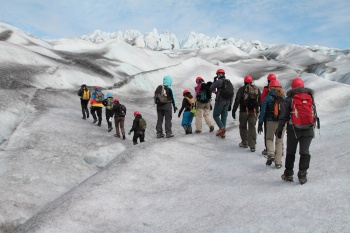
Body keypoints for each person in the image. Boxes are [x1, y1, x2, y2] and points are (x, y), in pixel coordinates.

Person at [277, 78, 318, 184]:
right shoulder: (309, 97)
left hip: (293, 129)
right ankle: (302, 175)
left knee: (291, 151)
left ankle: (288, 174)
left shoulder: (290, 99)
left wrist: (280, 128)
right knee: (305, 151)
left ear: (293, 87)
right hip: (308, 128)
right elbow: (313, 112)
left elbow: (284, 115)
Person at [258, 80, 286, 168]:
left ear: (270, 87)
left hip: (270, 122)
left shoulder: (268, 97)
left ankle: (270, 153)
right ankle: (278, 162)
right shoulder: (283, 97)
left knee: (269, 138)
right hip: (282, 123)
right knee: (279, 141)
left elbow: (263, 111)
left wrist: (260, 123)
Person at [232, 75, 261, 152]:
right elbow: (260, 101)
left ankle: (245, 142)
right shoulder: (256, 89)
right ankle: (252, 145)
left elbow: (237, 100)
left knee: (243, 126)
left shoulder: (242, 89)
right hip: (254, 111)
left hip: (244, 111)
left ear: (244, 81)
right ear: (251, 81)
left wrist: (234, 110)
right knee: (252, 127)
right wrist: (260, 111)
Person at [209, 69, 234, 139]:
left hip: (220, 100)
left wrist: (214, 81)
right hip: (228, 101)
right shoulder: (229, 82)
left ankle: (222, 128)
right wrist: (230, 104)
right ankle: (223, 133)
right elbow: (232, 93)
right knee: (224, 116)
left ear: (218, 74)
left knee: (215, 115)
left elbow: (211, 88)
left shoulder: (218, 81)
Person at [260, 73, 277, 156]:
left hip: (268, 117)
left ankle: (268, 149)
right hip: (280, 117)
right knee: (279, 136)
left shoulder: (267, 89)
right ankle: (280, 151)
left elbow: (262, 101)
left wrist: (261, 120)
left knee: (268, 135)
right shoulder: (280, 90)